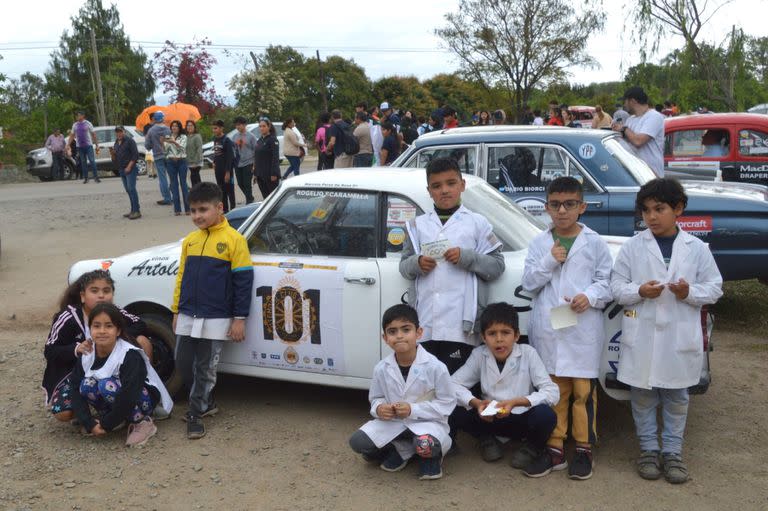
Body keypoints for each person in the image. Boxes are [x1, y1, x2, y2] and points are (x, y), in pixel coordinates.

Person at [610, 178, 722, 484]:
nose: (651, 217)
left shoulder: (696, 249)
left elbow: (714, 288)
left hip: (678, 338)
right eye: (646, 211)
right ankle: (648, 450)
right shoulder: (633, 247)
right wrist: (639, 291)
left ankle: (672, 452)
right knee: (643, 397)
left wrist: (689, 293)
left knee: (677, 398)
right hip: (642, 335)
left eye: (659, 209)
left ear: (678, 209)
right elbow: (617, 287)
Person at [521, 177, 613, 480]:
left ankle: (584, 448)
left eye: (570, 204)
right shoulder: (539, 242)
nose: (562, 210)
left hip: (582, 327)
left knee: (583, 392)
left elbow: (606, 282)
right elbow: (530, 283)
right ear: (547, 207)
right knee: (554, 390)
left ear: (582, 207)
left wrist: (591, 296)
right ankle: (555, 447)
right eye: (556, 204)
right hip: (550, 327)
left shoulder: (595, 242)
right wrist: (549, 260)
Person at [399, 157, 505, 374]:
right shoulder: (417, 225)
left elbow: (496, 266)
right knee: (427, 382)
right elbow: (403, 266)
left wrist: (466, 257)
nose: (444, 191)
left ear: (462, 185)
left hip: (461, 325)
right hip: (425, 320)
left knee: (458, 384)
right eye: (437, 186)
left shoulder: (477, 223)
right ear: (429, 190)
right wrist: (417, 263)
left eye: (451, 183)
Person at [172, 182, 254, 439]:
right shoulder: (190, 241)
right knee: (183, 362)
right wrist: (176, 310)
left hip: (217, 317)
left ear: (220, 208)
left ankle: (196, 413)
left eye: (203, 209)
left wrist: (239, 319)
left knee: (205, 367)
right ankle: (207, 402)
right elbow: (181, 277)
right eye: (193, 210)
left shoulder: (235, 240)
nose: (197, 216)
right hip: (187, 313)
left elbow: (243, 282)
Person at [348, 304, 455, 480]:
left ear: (419, 332)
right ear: (385, 337)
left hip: (427, 424)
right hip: (395, 423)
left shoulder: (436, 367)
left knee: (425, 444)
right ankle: (404, 450)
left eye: (406, 329)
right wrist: (380, 408)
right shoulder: (381, 368)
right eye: (392, 331)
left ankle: (429, 458)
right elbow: (376, 398)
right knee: (358, 443)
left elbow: (447, 403)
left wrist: (413, 410)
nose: (399, 336)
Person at [451, 302, 559, 476]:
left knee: (546, 415)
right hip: (489, 419)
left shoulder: (528, 353)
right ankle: (486, 439)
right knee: (453, 406)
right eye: (492, 334)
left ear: (516, 335)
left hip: (521, 418)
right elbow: (453, 385)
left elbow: (552, 392)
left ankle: (531, 447)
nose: (499, 339)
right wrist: (477, 403)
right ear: (484, 338)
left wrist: (517, 402)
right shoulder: (479, 354)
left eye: (505, 333)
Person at [42, 270, 154, 423]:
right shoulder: (68, 317)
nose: (101, 296)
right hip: (75, 375)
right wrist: (75, 349)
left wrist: (116, 336)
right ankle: (90, 412)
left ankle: (142, 394)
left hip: (112, 373)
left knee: (142, 341)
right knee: (63, 413)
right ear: (82, 296)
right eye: (94, 291)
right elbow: (50, 350)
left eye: (106, 291)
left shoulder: (114, 313)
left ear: (112, 295)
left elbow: (140, 324)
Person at [69, 303, 173, 447]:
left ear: (118, 331)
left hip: (144, 399)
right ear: (90, 329)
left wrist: (106, 424)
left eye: (109, 326)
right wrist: (89, 423)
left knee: (106, 385)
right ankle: (121, 419)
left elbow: (129, 394)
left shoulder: (129, 354)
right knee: (86, 386)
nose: (102, 331)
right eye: (96, 326)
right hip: (120, 398)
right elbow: (74, 387)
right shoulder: (87, 353)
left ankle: (142, 422)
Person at [615, 87, 666, 177]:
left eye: (625, 101)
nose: (624, 105)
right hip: (635, 174)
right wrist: (616, 133)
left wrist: (623, 129)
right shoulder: (630, 119)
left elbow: (638, 141)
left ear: (633, 101)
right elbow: (625, 143)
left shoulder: (654, 116)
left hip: (652, 176)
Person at [112, 126, 141, 219]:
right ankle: (133, 210)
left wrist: (129, 166)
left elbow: (135, 155)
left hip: (130, 168)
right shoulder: (116, 143)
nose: (119, 134)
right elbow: (114, 158)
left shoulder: (130, 141)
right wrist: (112, 154)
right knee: (128, 190)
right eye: (117, 132)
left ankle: (137, 211)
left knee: (132, 189)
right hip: (121, 169)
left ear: (124, 132)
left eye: (120, 132)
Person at [145, 112, 173, 205]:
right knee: (172, 176)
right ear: (163, 119)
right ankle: (174, 196)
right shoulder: (168, 129)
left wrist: (152, 144)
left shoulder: (151, 131)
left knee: (162, 178)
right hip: (169, 155)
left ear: (154, 119)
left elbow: (147, 146)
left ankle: (167, 198)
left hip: (158, 156)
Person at [165, 120, 190, 216]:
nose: (174, 128)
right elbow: (166, 151)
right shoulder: (168, 137)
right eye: (172, 126)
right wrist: (164, 142)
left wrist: (174, 142)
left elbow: (182, 148)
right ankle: (177, 209)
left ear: (179, 128)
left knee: (183, 184)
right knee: (173, 185)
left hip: (181, 161)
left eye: (176, 126)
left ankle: (187, 209)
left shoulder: (183, 137)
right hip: (170, 162)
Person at [68, 111, 100, 184]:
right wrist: (68, 144)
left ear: (83, 116)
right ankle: (86, 178)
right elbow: (72, 135)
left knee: (92, 161)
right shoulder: (75, 125)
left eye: (79, 115)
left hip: (88, 146)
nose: (78, 117)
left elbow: (93, 134)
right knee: (83, 162)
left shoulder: (88, 123)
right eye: (77, 116)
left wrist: (97, 145)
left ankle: (96, 177)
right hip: (79, 146)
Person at [211, 120, 236, 212]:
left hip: (226, 170)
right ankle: (225, 211)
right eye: (213, 128)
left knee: (230, 191)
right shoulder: (215, 139)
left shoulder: (227, 140)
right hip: (218, 169)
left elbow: (230, 157)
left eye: (216, 128)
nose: (214, 130)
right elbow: (217, 153)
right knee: (221, 191)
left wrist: (228, 172)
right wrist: (214, 161)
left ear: (221, 128)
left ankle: (233, 210)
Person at [252, 118, 281, 199]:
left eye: (264, 126)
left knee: (273, 198)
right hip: (260, 175)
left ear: (269, 127)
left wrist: (274, 173)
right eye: (260, 126)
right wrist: (255, 173)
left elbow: (275, 158)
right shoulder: (259, 141)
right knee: (266, 198)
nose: (261, 128)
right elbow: (257, 157)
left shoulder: (273, 140)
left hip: (270, 175)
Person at [232, 117, 256, 202]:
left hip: (248, 162)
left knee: (247, 184)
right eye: (236, 125)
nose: (237, 127)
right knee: (240, 183)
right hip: (238, 163)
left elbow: (256, 151)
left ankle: (249, 201)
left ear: (245, 125)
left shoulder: (251, 136)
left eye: (239, 124)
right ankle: (250, 197)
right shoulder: (234, 136)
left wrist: (254, 164)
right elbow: (233, 150)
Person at [186, 120, 203, 186]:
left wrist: (196, 162)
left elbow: (199, 149)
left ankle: (199, 192)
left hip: (196, 162)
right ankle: (197, 193)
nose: (189, 127)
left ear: (194, 127)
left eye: (191, 125)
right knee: (193, 178)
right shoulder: (186, 137)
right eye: (188, 125)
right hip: (189, 161)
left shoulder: (197, 136)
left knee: (195, 177)